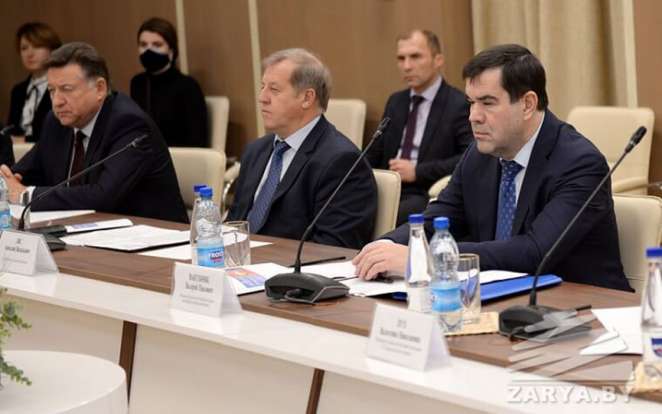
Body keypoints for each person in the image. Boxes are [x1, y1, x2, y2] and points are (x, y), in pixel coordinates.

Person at [354, 44, 631, 291]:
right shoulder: (480, 154)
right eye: (471, 103)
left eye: (487, 103)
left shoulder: (579, 163)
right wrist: (388, 245)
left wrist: (427, 258)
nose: (473, 117)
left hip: (585, 306)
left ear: (527, 104)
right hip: (502, 299)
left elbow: (535, 251)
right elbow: (439, 217)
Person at [0, 42, 188, 223]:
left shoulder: (129, 124)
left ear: (100, 88)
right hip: (80, 232)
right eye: (51, 91)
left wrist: (27, 195)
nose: (57, 101)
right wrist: (6, 182)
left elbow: (102, 196)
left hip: (154, 236)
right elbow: (19, 174)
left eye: (66, 89)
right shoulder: (56, 122)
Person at [227, 48, 376, 249]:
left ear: (307, 98)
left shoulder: (342, 161)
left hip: (288, 266)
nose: (262, 97)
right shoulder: (255, 151)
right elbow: (235, 223)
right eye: (262, 87)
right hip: (239, 262)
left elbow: (333, 247)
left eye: (274, 90)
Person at [366, 29, 472, 225]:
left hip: (424, 190)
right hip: (388, 186)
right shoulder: (396, 101)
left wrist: (418, 171)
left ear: (438, 60)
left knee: (386, 216)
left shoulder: (458, 104)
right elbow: (374, 152)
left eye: (415, 57)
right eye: (401, 58)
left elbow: (469, 157)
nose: (407, 66)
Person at [130, 17, 208, 147]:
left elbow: (197, 140)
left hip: (179, 156)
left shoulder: (188, 86)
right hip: (145, 155)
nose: (149, 50)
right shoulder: (138, 83)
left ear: (171, 51)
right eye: (143, 45)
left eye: (157, 45)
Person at [6, 22, 62, 144]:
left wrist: (25, 140)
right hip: (17, 152)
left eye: (37, 46)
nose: (30, 54)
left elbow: (60, 132)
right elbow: (11, 129)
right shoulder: (18, 90)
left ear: (52, 49)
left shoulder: (62, 87)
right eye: (24, 48)